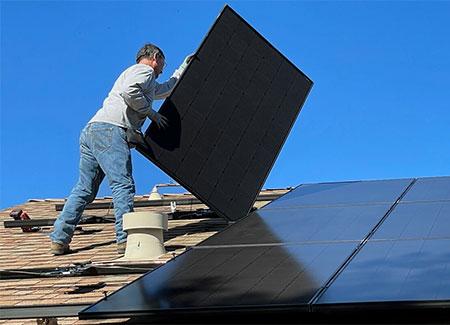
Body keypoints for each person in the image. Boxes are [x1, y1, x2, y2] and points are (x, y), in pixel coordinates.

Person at [49, 43, 192, 255]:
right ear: (155, 57)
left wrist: (182, 69)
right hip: (111, 130)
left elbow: (165, 89)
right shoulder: (144, 71)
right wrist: (150, 113)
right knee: (122, 184)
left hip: (92, 130)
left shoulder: (137, 75)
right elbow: (130, 92)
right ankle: (125, 239)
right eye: (163, 63)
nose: (162, 68)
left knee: (84, 189)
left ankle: (59, 239)